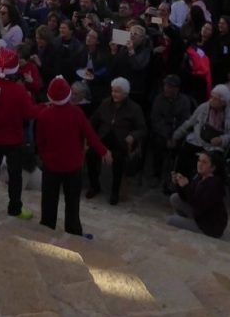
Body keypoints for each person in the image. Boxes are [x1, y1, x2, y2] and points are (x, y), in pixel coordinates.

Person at [36, 77, 110, 238]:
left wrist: (43, 156)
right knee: (72, 201)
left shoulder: (44, 114)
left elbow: (40, 140)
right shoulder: (77, 113)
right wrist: (104, 151)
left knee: (49, 200)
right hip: (72, 166)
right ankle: (73, 230)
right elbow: (90, 135)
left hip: (51, 165)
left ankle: (47, 228)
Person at [0, 47, 40, 219]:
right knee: (15, 174)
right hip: (13, 139)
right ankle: (14, 207)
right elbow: (30, 113)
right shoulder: (19, 91)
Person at [89, 77, 147, 205]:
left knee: (119, 160)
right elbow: (93, 120)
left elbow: (142, 128)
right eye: (113, 91)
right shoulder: (105, 103)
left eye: (118, 92)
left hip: (121, 141)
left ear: (125, 93)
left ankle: (115, 191)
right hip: (103, 137)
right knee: (91, 154)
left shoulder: (134, 108)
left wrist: (133, 135)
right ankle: (94, 186)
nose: (114, 94)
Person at [166, 150, 228, 238]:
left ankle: (187, 224)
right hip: (199, 215)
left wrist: (186, 187)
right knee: (175, 198)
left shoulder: (214, 184)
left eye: (204, 162)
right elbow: (187, 198)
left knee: (170, 220)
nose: (199, 164)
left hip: (208, 225)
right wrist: (179, 185)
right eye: (199, 160)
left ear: (213, 167)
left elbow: (198, 205)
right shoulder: (200, 177)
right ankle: (185, 221)